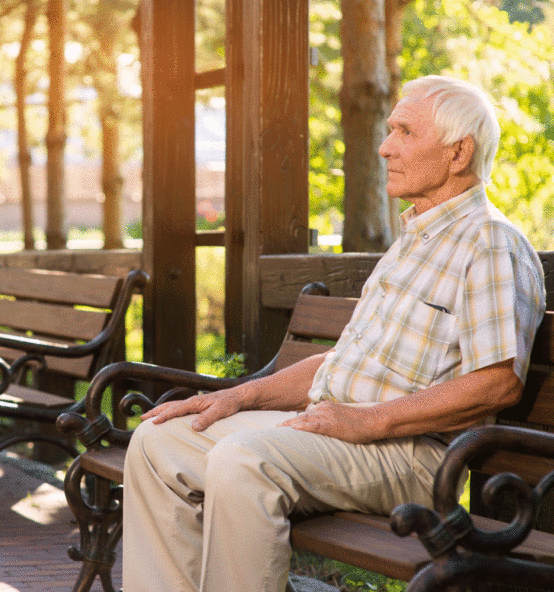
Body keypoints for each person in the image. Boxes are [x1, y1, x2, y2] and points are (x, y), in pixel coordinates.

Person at [122, 75, 547, 592]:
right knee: (157, 441)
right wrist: (236, 396)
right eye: (389, 130)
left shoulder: (490, 244)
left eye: (405, 133)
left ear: (459, 153)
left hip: (410, 456)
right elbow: (340, 361)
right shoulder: (413, 241)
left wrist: (367, 421)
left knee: (243, 459)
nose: (385, 147)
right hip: (339, 433)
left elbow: (495, 384)